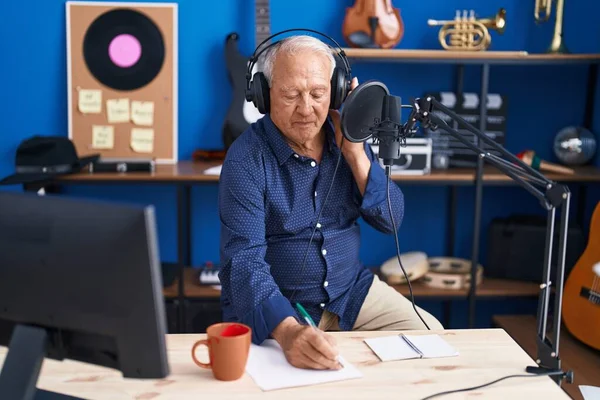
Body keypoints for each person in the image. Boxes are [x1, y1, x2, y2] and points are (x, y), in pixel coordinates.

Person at [218, 34, 443, 371]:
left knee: (432, 343)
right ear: (263, 95)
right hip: (278, 307)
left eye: (318, 94)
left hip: (351, 294)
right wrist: (289, 330)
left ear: (337, 91)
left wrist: (355, 153)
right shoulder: (245, 160)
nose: (307, 109)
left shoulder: (347, 137)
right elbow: (244, 262)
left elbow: (391, 220)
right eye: (291, 95)